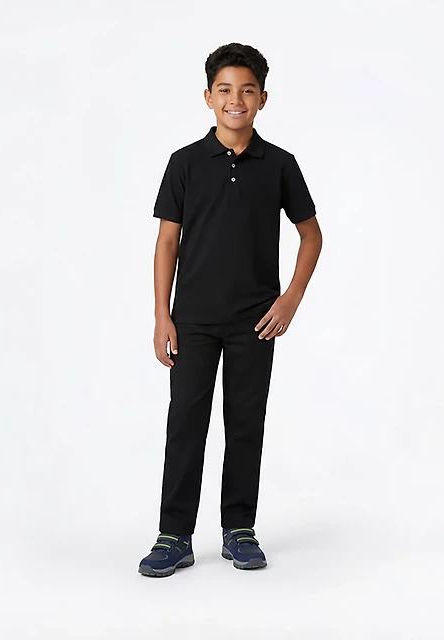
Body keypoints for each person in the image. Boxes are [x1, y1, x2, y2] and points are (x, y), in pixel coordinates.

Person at [138, 43, 322, 577]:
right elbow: (167, 242)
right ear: (208, 97)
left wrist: (290, 299)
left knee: (245, 424)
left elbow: (311, 236)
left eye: (246, 90)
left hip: (255, 322)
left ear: (262, 98)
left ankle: (239, 528)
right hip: (192, 320)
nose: (235, 99)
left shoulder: (280, 164)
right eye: (224, 89)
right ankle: (174, 535)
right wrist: (162, 315)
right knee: (185, 424)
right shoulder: (185, 163)